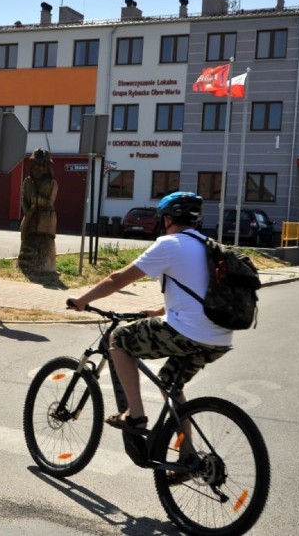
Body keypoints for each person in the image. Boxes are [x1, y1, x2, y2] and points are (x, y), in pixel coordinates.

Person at [67, 191, 232, 457]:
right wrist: (158, 311)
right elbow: (200, 291)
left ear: (167, 218)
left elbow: (117, 278)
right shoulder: (210, 246)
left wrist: (82, 300)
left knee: (119, 339)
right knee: (170, 385)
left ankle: (135, 415)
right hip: (219, 337)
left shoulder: (170, 244)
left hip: (188, 332)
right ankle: (188, 455)